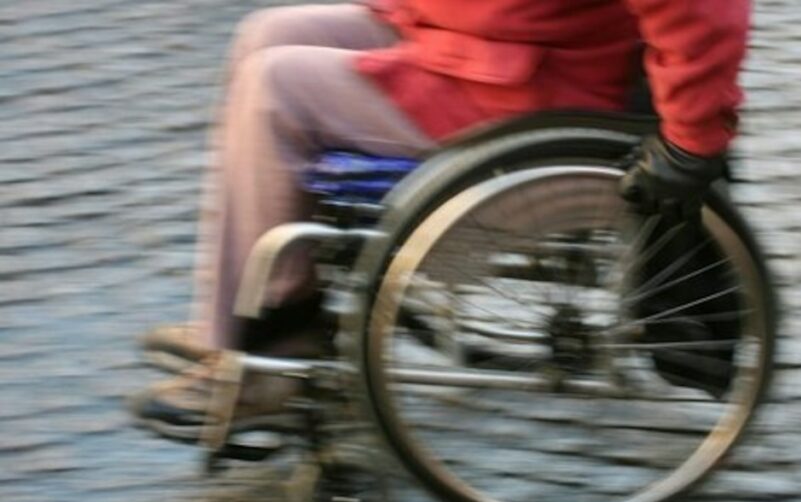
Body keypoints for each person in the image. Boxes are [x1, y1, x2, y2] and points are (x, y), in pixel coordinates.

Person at [131, 0, 750, 443]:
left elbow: (707, 13)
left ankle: (271, 353)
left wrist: (692, 142)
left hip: (523, 93)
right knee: (265, 33)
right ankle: (238, 330)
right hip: (460, 37)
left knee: (276, 88)